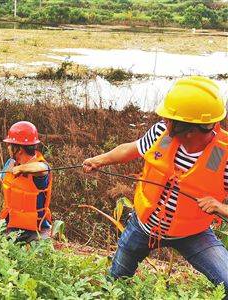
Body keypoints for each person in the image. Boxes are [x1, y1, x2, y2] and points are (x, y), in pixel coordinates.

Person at [83, 76, 228, 294]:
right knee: (115, 282)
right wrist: (99, 160)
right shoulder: (163, 133)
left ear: (189, 129)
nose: (163, 121)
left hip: (193, 233)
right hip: (143, 226)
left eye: (170, 119)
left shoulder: (223, 156)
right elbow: (131, 149)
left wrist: (219, 207)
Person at [0, 121, 52, 243]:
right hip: (13, 225)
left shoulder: (39, 165)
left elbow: (44, 169)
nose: (8, 148)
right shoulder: (11, 162)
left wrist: (21, 168)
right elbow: (3, 178)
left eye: (10, 145)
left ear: (18, 149)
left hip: (36, 230)